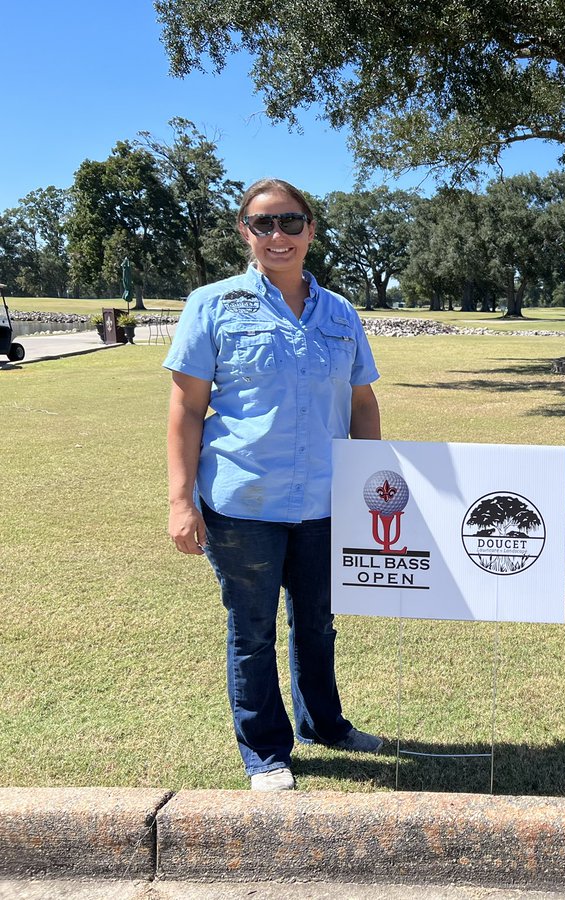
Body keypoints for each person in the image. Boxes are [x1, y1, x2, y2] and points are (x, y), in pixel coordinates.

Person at [165, 178, 385, 792]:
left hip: (325, 501)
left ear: (311, 230)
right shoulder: (212, 305)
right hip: (243, 502)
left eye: (291, 223)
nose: (278, 236)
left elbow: (362, 404)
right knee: (253, 629)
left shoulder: (340, 313)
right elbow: (185, 410)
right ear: (245, 232)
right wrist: (181, 501)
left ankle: (325, 724)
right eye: (264, 224)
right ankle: (266, 751)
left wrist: (370, 490)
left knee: (317, 622)